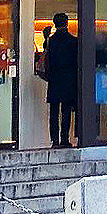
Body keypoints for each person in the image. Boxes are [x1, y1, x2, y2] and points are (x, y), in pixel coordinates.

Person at [43, 12, 79, 148]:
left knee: (53, 112)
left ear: (54, 24)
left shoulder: (51, 41)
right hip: (69, 80)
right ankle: (65, 138)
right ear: (67, 23)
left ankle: (54, 140)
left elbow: (46, 58)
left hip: (54, 80)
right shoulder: (73, 41)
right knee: (66, 111)